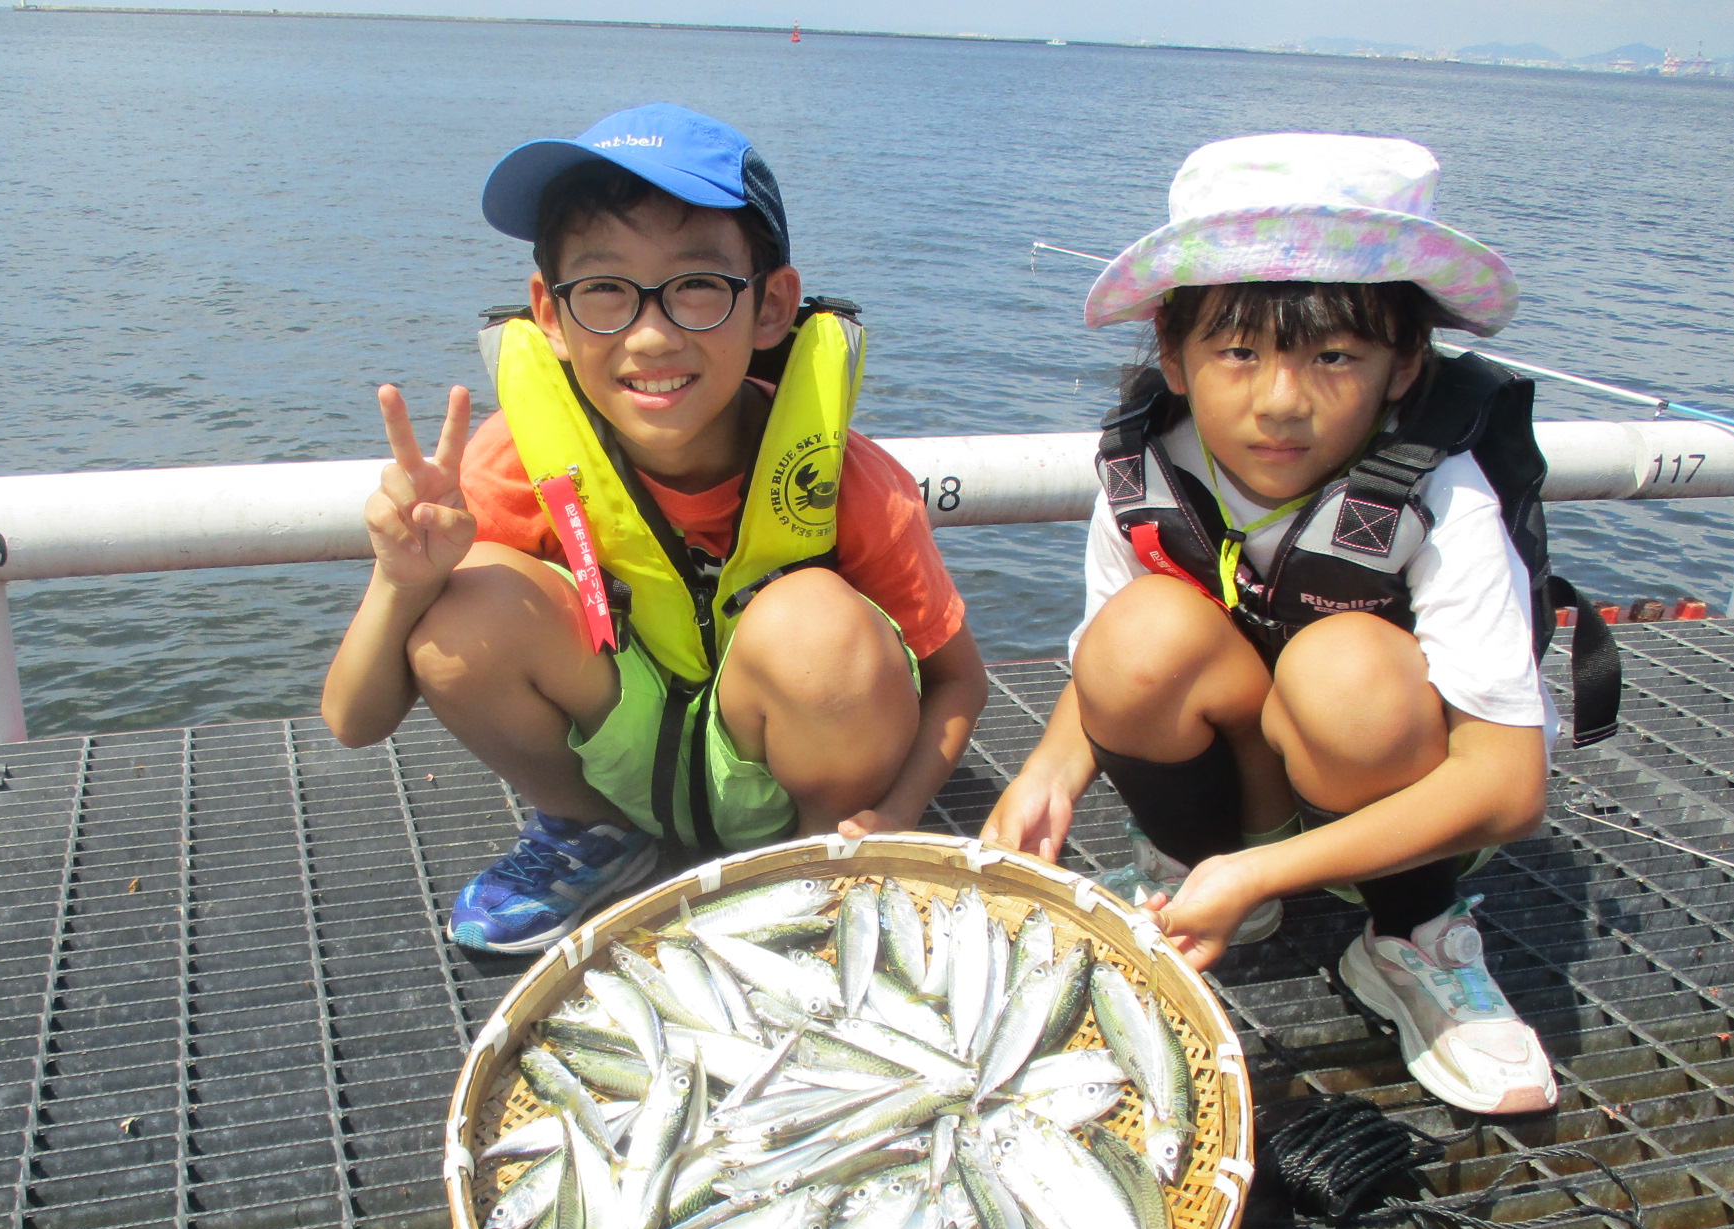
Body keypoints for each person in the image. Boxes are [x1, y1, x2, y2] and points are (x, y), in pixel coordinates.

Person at [983, 133, 1560, 1116]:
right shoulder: (1141, 469)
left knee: (1345, 669)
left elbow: (1507, 788)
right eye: (1236, 351)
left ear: (1404, 364)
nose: (1281, 402)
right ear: (1171, 352)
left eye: (1333, 356)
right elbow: (1100, 673)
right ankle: (1197, 870)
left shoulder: (1441, 496)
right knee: (1131, 636)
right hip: (1250, 777)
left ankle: (1408, 933)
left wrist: (1269, 869)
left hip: (1378, 785)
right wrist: (1049, 773)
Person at [323, 103, 986, 954]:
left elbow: (959, 682)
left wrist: (889, 822)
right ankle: (594, 835)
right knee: (463, 608)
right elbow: (352, 719)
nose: (650, 334)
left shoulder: (848, 479)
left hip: (800, 791)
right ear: (549, 315)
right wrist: (402, 581)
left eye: (697, 287)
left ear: (774, 306)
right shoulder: (513, 460)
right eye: (603, 289)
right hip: (628, 767)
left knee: (816, 623)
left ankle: (815, 867)